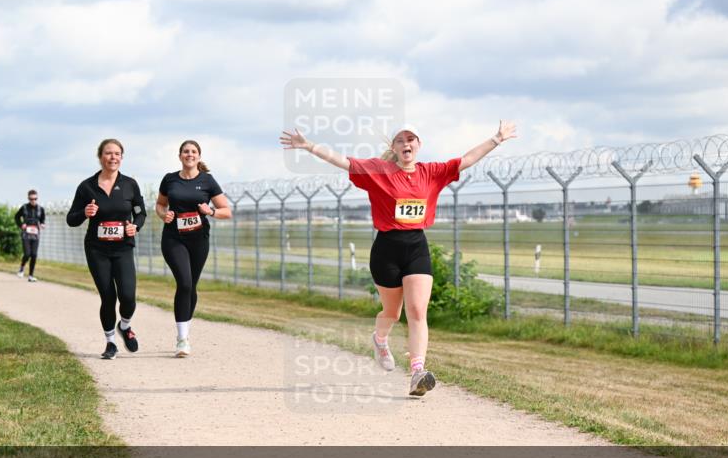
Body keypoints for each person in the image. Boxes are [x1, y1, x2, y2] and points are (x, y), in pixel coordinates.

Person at [280, 120, 518, 396]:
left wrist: (497, 138)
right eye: (401, 140)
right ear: (394, 147)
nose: (407, 143)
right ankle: (380, 339)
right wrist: (308, 146)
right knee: (392, 313)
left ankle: (418, 371)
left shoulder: (432, 172)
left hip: (416, 245)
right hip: (386, 249)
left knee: (417, 311)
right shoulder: (378, 171)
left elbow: (466, 160)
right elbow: (342, 161)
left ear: (418, 145)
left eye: (412, 139)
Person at [66, 138, 146, 360]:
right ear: (100, 157)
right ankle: (110, 342)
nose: (113, 157)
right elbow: (71, 219)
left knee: (128, 296)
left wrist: (135, 226)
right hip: (97, 249)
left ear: (122, 157)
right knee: (108, 297)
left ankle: (125, 326)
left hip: (123, 248)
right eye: (109, 153)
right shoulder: (87, 187)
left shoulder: (130, 184)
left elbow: (140, 213)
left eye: (117, 153)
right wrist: (85, 213)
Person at [155, 140, 231, 357]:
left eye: (193, 152)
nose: (190, 154)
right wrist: (163, 214)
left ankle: (185, 332)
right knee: (185, 282)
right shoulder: (169, 179)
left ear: (199, 156)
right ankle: (181, 339)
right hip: (173, 238)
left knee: (192, 285)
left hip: (199, 239)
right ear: (180, 156)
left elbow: (226, 210)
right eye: (186, 151)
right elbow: (160, 204)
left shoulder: (207, 180)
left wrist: (211, 211)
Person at [14, 189, 46, 282]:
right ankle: (21, 268)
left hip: (36, 234)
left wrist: (43, 224)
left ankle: (31, 275)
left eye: (35, 199)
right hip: (26, 234)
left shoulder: (41, 209)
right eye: (32, 199)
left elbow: (43, 219)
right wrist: (21, 225)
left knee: (34, 255)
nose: (34, 201)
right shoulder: (24, 207)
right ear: (28, 198)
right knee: (27, 254)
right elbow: (16, 217)